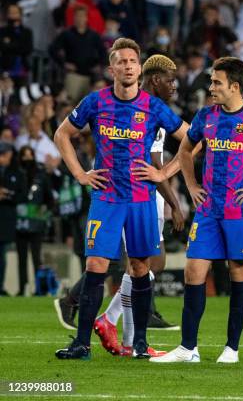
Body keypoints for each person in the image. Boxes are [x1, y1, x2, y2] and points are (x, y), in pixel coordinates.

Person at [53, 38, 191, 360]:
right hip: (107, 197)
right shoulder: (95, 101)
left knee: (141, 267)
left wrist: (163, 173)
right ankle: (81, 344)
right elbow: (62, 134)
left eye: (132, 61)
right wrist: (79, 174)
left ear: (139, 67)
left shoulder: (154, 107)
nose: (127, 66)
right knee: (96, 265)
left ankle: (139, 343)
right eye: (121, 61)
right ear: (111, 68)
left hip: (141, 198)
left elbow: (191, 139)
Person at [149, 57, 243, 364]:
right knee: (193, 271)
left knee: (238, 272)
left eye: (216, 82)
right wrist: (192, 185)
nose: (210, 87)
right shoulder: (204, 117)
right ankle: (188, 348)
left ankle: (232, 348)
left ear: (234, 86)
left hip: (240, 210)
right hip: (209, 209)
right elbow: (185, 151)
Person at [15, 145, 55, 296]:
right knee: (21, 258)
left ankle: (39, 289)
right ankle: (21, 288)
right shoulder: (17, 174)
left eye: (29, 156)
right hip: (19, 224)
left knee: (36, 258)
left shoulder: (41, 176)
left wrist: (45, 214)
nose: (27, 159)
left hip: (36, 225)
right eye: (24, 156)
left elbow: (50, 199)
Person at [0, 141, 26, 296]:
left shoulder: (17, 172)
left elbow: (22, 195)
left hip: (6, 219)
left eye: (4, 153)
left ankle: (0, 286)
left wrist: (6, 194)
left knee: (1, 255)